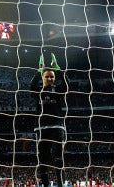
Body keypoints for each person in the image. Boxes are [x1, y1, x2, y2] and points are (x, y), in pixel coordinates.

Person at [30, 53, 67, 187]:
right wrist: (38, 70)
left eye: (52, 76)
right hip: (41, 127)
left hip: (57, 126)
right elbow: (31, 86)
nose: (50, 78)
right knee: (43, 159)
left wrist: (58, 69)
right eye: (47, 76)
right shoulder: (38, 91)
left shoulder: (57, 90)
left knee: (58, 156)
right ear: (43, 77)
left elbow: (66, 85)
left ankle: (60, 184)